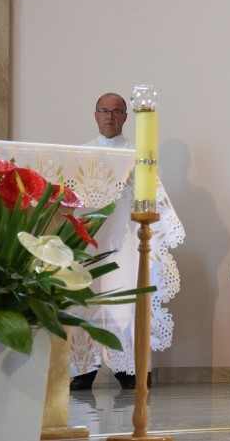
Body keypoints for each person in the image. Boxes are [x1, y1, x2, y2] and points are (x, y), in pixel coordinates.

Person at [70, 92, 184, 390]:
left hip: (127, 245)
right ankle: (83, 368)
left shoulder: (140, 154)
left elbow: (152, 197)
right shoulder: (80, 155)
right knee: (87, 301)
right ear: (95, 115)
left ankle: (128, 369)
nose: (109, 116)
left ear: (125, 117)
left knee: (125, 302)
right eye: (104, 111)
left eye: (116, 111)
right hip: (90, 243)